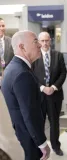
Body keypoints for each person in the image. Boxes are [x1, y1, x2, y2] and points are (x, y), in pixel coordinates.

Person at [1, 30, 50, 160]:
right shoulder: (22, 74)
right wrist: (42, 143)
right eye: (35, 42)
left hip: (19, 135)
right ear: (22, 47)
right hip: (28, 140)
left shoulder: (12, 68)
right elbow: (29, 113)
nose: (40, 45)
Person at [32, 32, 67, 156]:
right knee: (39, 122)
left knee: (54, 122)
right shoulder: (34, 57)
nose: (45, 43)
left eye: (47, 40)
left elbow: (63, 73)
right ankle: (40, 147)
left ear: (50, 41)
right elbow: (31, 75)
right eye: (42, 41)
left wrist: (53, 87)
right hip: (40, 96)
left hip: (55, 95)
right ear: (39, 42)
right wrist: (42, 88)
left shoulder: (58, 56)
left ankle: (56, 146)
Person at [0, 18, 14, 84]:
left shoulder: (11, 41)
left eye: (3, 26)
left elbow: (14, 60)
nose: (1, 28)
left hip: (8, 79)